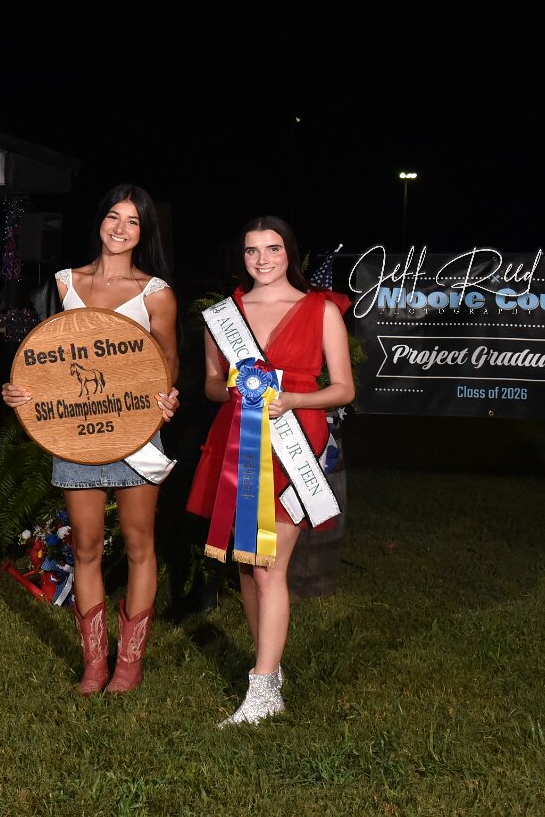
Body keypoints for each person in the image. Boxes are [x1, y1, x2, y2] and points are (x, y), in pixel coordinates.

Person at [1, 184, 181, 695]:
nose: (120, 228)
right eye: (113, 217)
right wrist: (18, 391)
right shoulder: (64, 285)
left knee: (140, 545)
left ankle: (129, 662)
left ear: (144, 232)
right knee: (84, 546)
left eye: (133, 221)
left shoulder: (156, 293)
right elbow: (39, 356)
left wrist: (168, 395)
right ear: (100, 221)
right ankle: (95, 663)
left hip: (136, 436)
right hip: (76, 435)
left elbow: (168, 359)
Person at [185, 215, 354, 725]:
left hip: (295, 439)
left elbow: (343, 389)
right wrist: (234, 388)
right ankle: (269, 670)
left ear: (289, 253)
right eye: (252, 250)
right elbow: (211, 384)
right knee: (246, 562)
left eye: (273, 249)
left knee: (269, 567)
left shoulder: (321, 310)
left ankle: (261, 691)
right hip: (239, 441)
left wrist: (294, 399)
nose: (262, 259)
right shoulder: (223, 316)